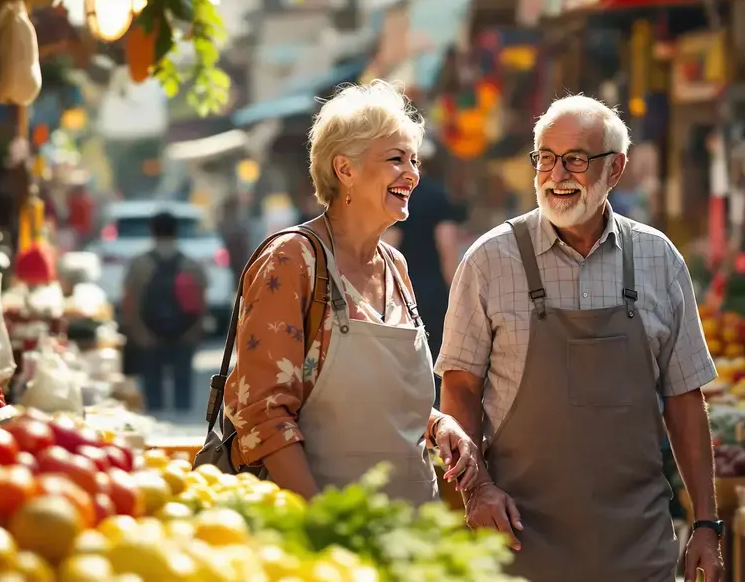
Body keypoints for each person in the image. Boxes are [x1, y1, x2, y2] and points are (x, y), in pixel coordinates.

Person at [436, 95, 724, 582]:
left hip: (639, 547)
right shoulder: (488, 262)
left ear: (615, 169)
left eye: (575, 159)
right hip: (520, 543)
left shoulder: (658, 259)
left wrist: (706, 525)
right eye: (545, 158)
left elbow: (684, 400)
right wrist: (477, 489)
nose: (556, 174)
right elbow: (459, 391)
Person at [219, 80, 478, 503]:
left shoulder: (396, 268)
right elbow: (261, 414)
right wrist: (324, 522)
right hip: (326, 539)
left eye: (413, 160)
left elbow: (380, 407)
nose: (412, 173)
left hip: (412, 530)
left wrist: (436, 425)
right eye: (396, 159)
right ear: (345, 170)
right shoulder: (293, 260)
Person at [384, 147, 464, 370]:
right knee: (437, 355)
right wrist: (455, 290)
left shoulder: (399, 197)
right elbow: (447, 244)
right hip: (434, 287)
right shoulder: (439, 196)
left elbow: (390, 243)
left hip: (405, 290)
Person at [121, 211, 209, 413]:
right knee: (182, 387)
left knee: (152, 394)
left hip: (148, 333)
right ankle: (183, 423)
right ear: (176, 232)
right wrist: (193, 333)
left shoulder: (140, 264)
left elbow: (130, 301)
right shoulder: (191, 264)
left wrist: (139, 334)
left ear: (152, 231)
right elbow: (201, 303)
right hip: (184, 333)